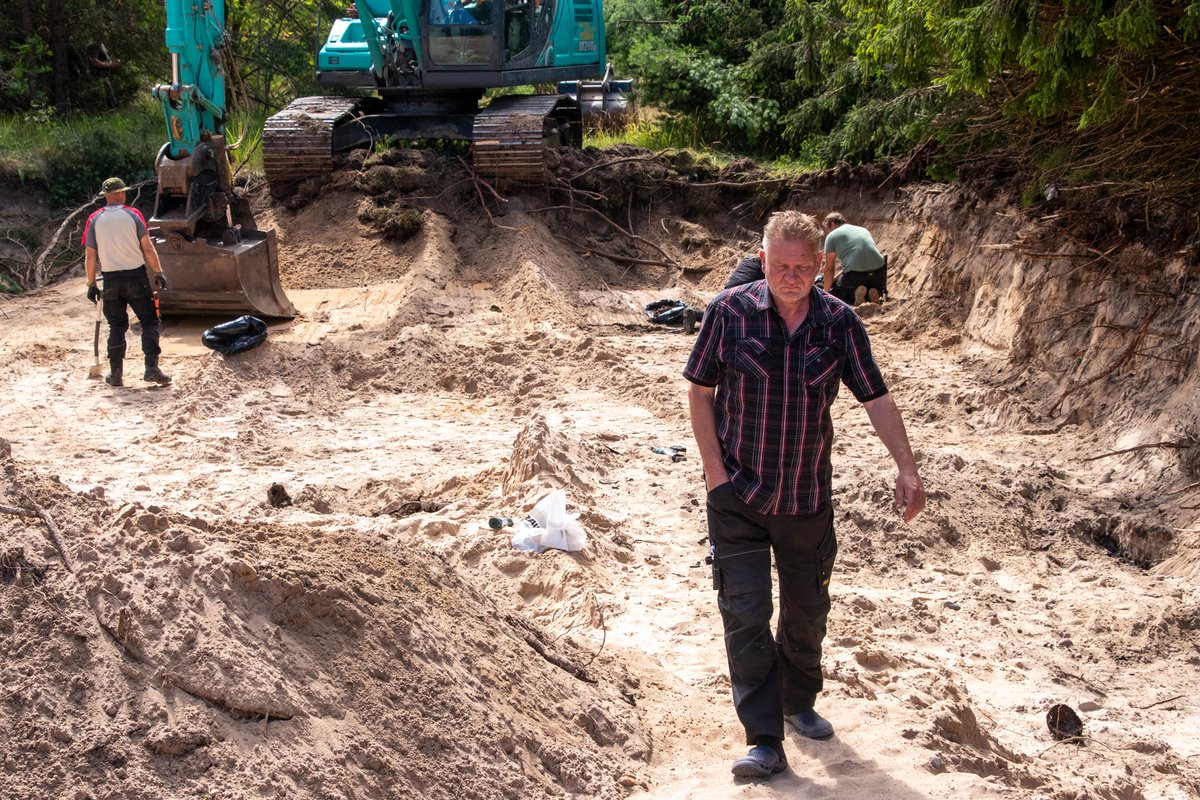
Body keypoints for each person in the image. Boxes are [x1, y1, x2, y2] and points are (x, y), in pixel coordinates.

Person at [684, 210, 925, 779]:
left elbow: (877, 399)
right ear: (762, 261)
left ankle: (799, 700)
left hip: (806, 498)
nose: (790, 277)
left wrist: (907, 469)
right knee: (744, 613)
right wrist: (715, 475)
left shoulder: (840, 324)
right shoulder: (729, 313)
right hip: (738, 494)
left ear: (821, 266)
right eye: (780, 266)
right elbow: (699, 392)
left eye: (802, 267)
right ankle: (763, 737)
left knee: (807, 612)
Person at [83, 177, 172, 387]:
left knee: (116, 325)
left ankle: (115, 375)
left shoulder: (94, 219)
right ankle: (151, 368)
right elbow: (147, 247)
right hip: (136, 277)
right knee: (149, 321)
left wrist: (90, 284)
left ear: (106, 196)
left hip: (111, 279)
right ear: (122, 193)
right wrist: (158, 272)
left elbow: (90, 255)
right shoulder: (133, 215)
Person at [821, 212, 887, 306]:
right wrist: (836, 278)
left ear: (832, 223)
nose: (828, 232)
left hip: (855, 276)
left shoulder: (832, 236)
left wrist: (826, 292)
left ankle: (855, 293)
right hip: (879, 272)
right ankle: (872, 292)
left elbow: (829, 268)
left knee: (837, 295)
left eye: (828, 229)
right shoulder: (863, 230)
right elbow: (861, 258)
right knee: (869, 283)